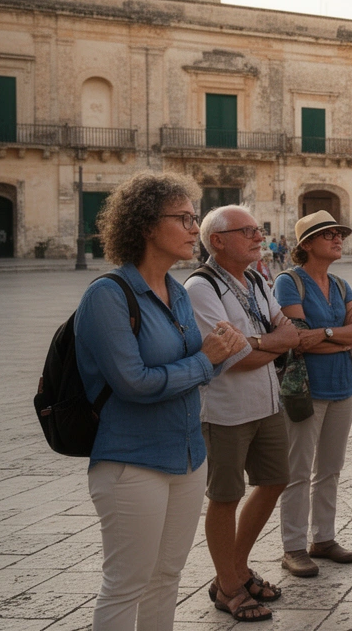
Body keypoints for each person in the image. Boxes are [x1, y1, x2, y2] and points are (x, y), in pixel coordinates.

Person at [75, 171, 245, 630]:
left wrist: (228, 350)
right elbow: (135, 383)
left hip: (188, 457)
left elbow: (197, 370)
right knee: (126, 582)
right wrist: (207, 360)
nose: (195, 229)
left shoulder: (177, 292)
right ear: (148, 226)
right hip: (132, 463)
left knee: (166, 577)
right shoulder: (107, 296)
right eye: (185, 218)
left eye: (195, 218)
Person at [185, 205, 301, 622]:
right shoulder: (201, 288)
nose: (259, 237)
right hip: (225, 411)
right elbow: (234, 360)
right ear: (217, 241)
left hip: (267, 403)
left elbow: (289, 332)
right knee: (225, 496)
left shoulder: (255, 278)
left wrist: (262, 342)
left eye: (259, 229)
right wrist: (272, 341)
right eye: (248, 231)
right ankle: (230, 586)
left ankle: (231, 569)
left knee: (274, 481)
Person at [274, 211, 352, 578]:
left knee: (330, 468)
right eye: (327, 234)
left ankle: (324, 538)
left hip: (343, 387)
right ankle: (294, 546)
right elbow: (297, 340)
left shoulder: (342, 285)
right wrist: (341, 337)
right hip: (306, 390)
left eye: (338, 234)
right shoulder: (289, 283)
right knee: (298, 471)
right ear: (307, 245)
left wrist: (327, 336)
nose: (337, 239)